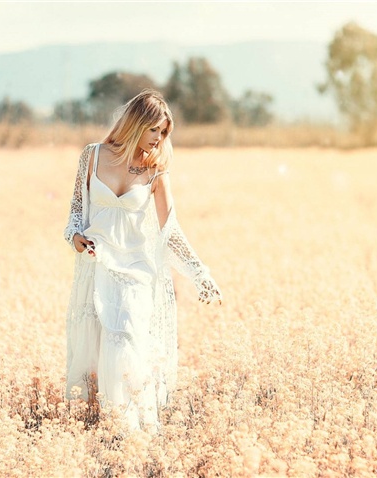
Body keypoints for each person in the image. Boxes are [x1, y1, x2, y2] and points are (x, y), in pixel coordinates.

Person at [63, 89, 222, 431]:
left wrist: (200, 273)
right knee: (98, 345)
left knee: (126, 339)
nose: (159, 139)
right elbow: (76, 209)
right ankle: (106, 427)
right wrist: (75, 237)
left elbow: (171, 231)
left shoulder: (155, 172)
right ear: (137, 123)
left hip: (136, 271)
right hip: (97, 264)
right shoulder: (91, 156)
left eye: (164, 133)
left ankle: (131, 428)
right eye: (155, 130)